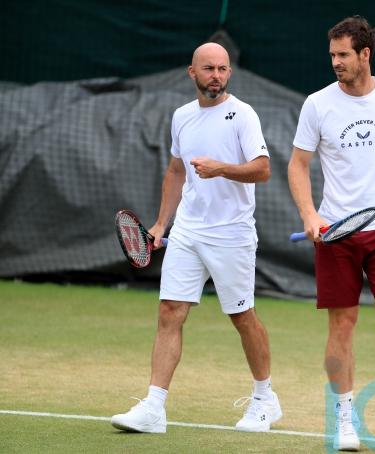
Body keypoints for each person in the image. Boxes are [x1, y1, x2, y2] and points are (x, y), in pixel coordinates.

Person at [111, 42, 281, 434]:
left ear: (229, 73)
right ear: (193, 72)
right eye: (208, 69)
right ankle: (154, 407)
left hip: (232, 233)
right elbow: (176, 171)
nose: (216, 76)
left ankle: (265, 399)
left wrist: (221, 168)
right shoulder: (182, 116)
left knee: (242, 316)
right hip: (187, 231)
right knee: (170, 311)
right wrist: (161, 224)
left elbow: (263, 170)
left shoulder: (243, 115)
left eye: (222, 69)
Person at [288, 16, 375, 454]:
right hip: (335, 233)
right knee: (342, 325)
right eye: (332, 55)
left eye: (344, 54)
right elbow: (298, 165)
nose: (336, 62)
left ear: (365, 54)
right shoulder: (317, 104)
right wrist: (310, 214)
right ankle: (344, 419)